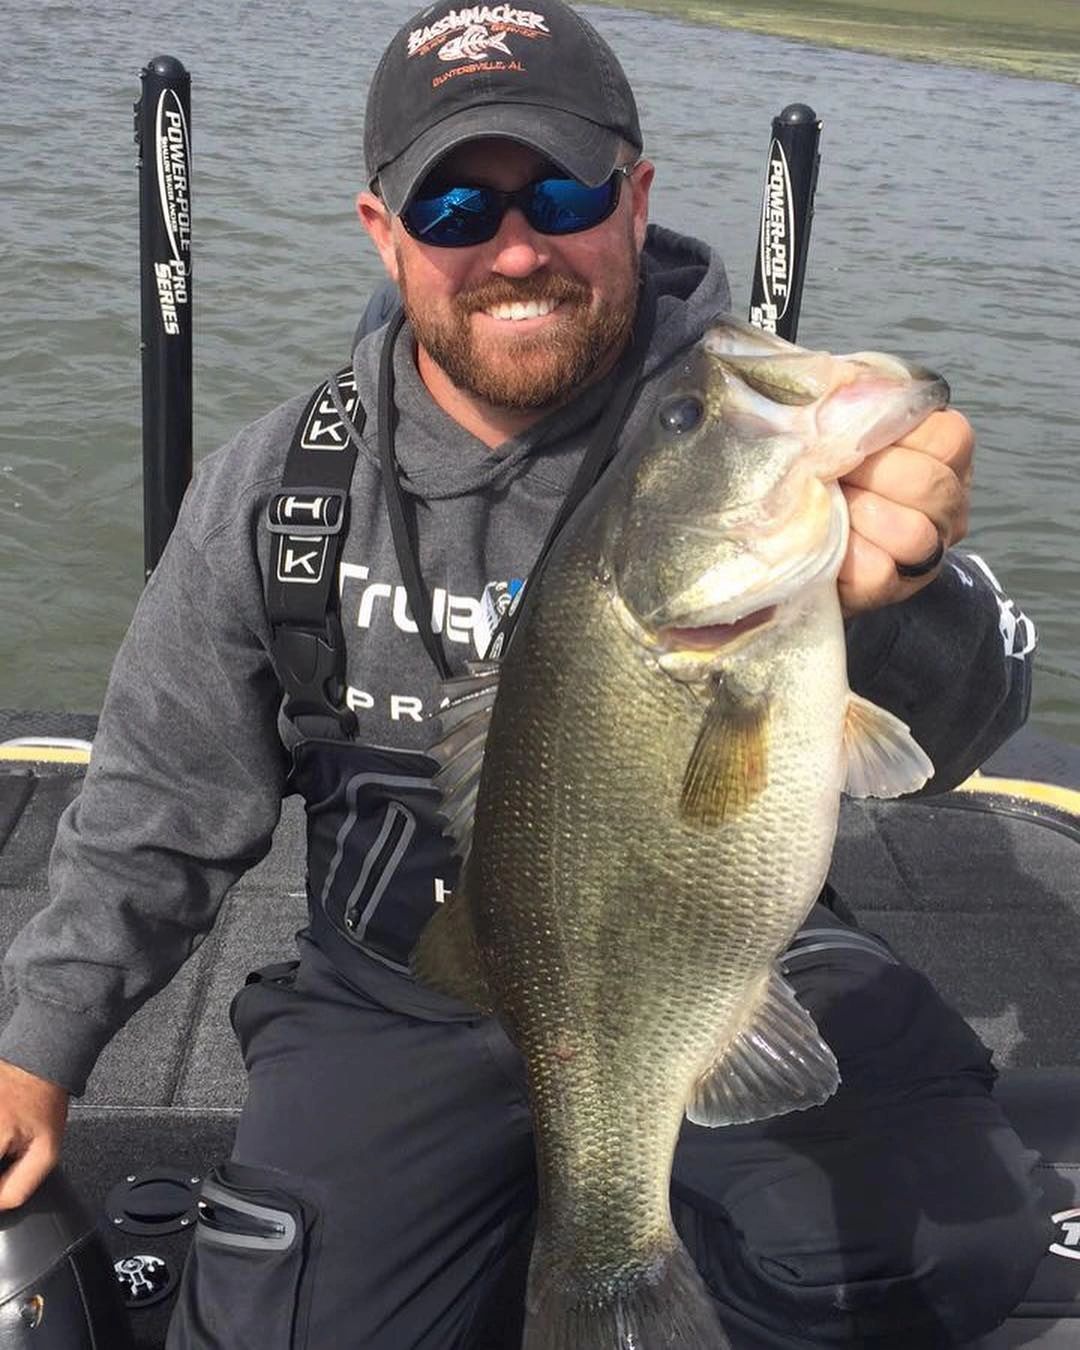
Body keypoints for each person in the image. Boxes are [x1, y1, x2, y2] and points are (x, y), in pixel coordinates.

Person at [0, 2, 1048, 1346]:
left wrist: (900, 597)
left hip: (707, 950)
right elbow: (155, 802)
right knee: (296, 1319)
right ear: (384, 235)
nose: (516, 246)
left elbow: (962, 727)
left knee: (938, 1237)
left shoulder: (750, 434)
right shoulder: (277, 489)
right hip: (405, 981)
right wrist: (36, 1044)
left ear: (636, 198)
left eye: (561, 190)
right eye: (454, 208)